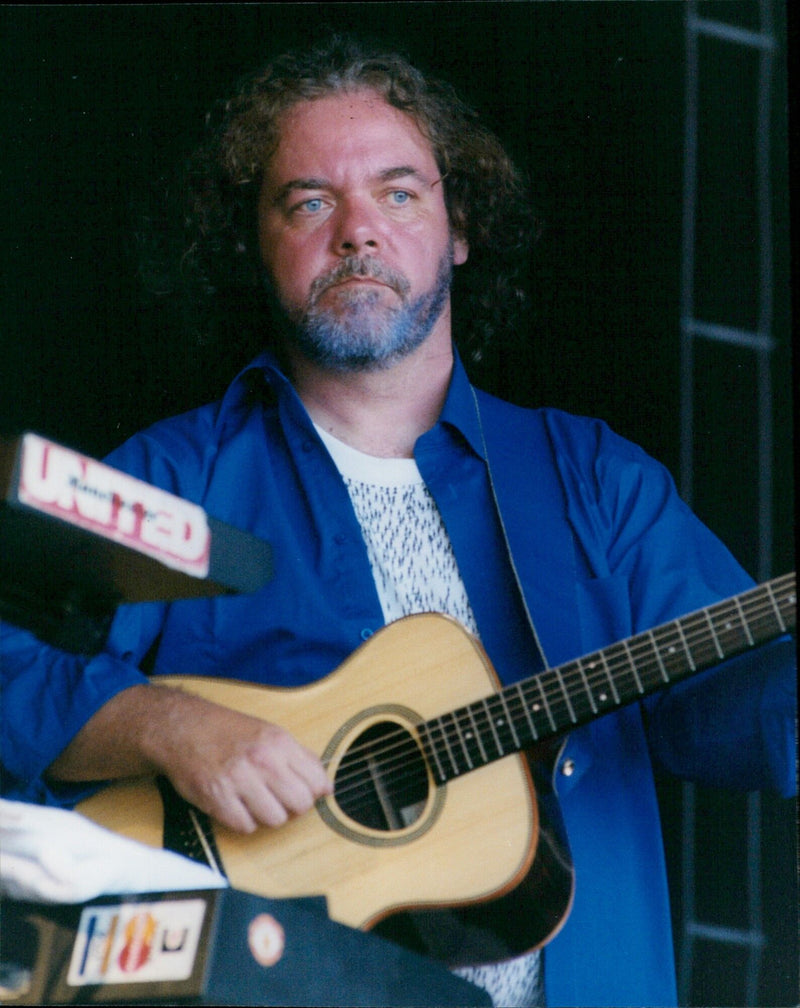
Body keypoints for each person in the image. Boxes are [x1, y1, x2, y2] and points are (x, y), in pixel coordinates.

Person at [1, 35, 795, 1008]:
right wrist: (157, 722)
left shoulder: (595, 481)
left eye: (398, 192)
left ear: (459, 226)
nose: (356, 231)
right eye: (308, 200)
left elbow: (738, 709)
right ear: (253, 237)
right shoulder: (176, 475)